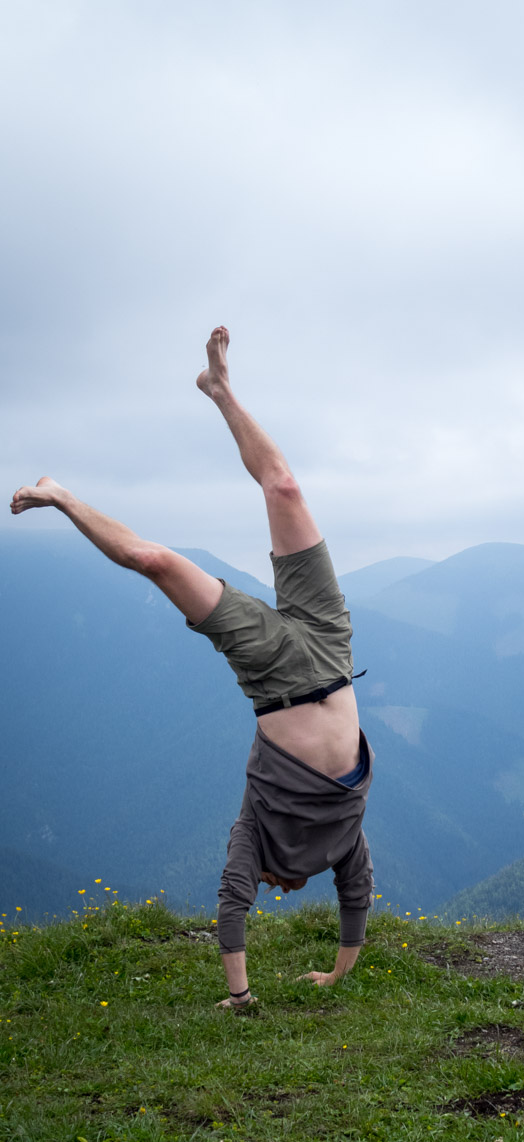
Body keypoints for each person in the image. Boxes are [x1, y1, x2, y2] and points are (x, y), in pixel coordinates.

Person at [10, 327, 374, 1009]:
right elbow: (358, 899)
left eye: (277, 888)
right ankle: (214, 393)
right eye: (285, 888)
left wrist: (240, 997)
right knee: (286, 490)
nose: (283, 889)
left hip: (274, 674)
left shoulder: (254, 830)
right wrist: (338, 973)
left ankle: (64, 491)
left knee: (163, 559)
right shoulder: (341, 844)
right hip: (333, 648)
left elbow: (231, 907)